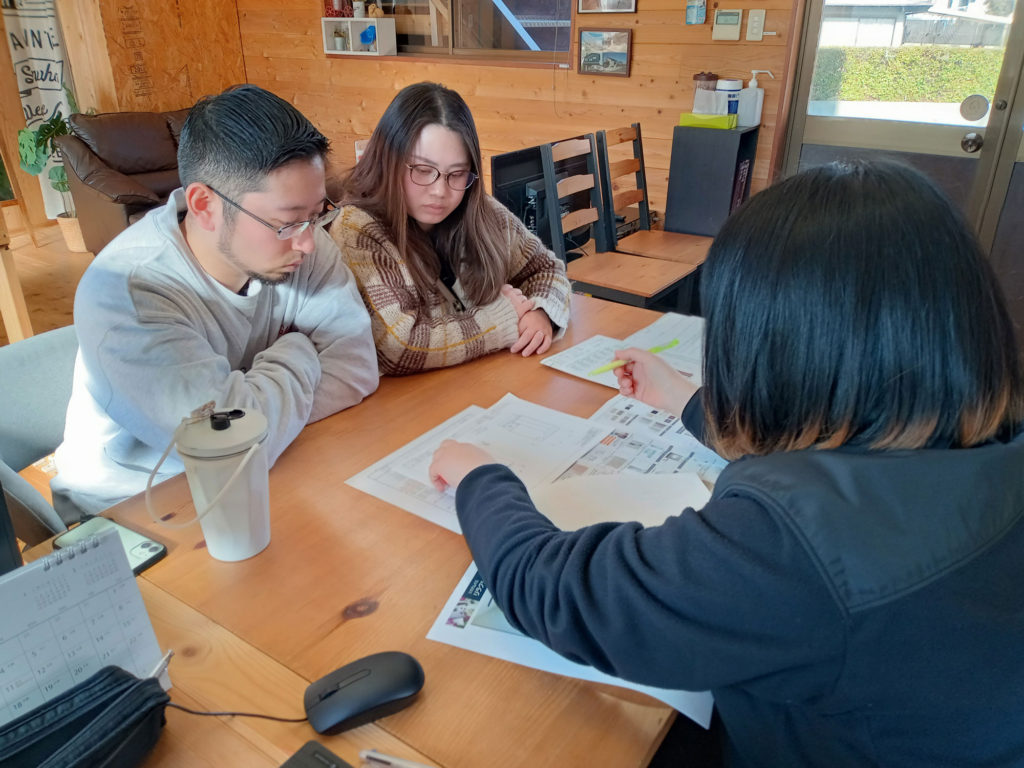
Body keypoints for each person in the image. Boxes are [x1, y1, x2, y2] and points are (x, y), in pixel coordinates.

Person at [428, 161, 1024, 767]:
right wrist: (688, 400)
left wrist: (481, 478)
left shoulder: (792, 544)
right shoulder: (987, 440)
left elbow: (560, 593)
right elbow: (840, 453)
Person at [52, 84, 379, 517]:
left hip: (267, 470)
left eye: (317, 214)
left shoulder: (301, 242)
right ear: (204, 205)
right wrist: (299, 349)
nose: (307, 241)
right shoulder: (128, 293)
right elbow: (229, 448)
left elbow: (356, 369)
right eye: (286, 223)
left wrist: (258, 418)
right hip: (132, 509)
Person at [330, 82, 572, 375]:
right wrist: (503, 319)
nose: (440, 191)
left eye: (456, 174)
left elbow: (546, 269)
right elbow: (399, 346)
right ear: (388, 161)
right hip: (413, 398)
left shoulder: (480, 209)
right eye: (422, 170)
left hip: (482, 382)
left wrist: (542, 313)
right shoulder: (357, 228)